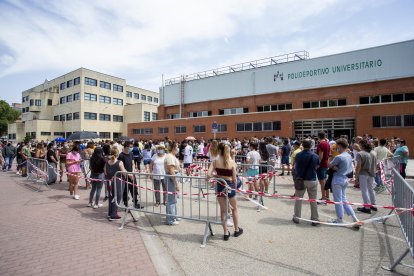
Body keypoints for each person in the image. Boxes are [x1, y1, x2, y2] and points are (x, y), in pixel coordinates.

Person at [208, 142, 243, 240]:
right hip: (230, 186)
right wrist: (235, 188)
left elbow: (209, 174)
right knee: (234, 209)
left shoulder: (215, 161)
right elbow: (235, 178)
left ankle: (225, 232)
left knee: (223, 211)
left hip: (220, 186)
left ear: (219, 150)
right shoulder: (232, 162)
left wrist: (217, 176)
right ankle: (236, 230)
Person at [329, 138, 360, 227]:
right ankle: (354, 218)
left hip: (338, 179)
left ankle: (340, 219)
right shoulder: (349, 155)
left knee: (338, 201)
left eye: (337, 146)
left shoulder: (339, 157)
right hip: (345, 179)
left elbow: (330, 165)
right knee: (344, 200)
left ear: (339, 146)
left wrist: (331, 157)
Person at [292, 139, 320, 226]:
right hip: (311, 179)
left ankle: (297, 217)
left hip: (300, 179)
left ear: (302, 145)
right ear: (311, 146)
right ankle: (314, 219)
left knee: (298, 199)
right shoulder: (315, 156)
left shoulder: (298, 155)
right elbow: (317, 166)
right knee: (313, 200)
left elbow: (295, 166)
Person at [355, 140, 377, 214]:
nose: (359, 146)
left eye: (360, 145)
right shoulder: (373, 153)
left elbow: (359, 165)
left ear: (362, 145)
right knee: (371, 189)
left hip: (365, 172)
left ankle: (367, 207)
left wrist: (356, 176)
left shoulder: (364, 153)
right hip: (371, 172)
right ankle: (373, 204)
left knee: (364, 190)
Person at [105, 148, 128, 220]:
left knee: (111, 197)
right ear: (117, 154)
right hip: (118, 182)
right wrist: (127, 173)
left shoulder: (107, 162)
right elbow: (124, 172)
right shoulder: (119, 162)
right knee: (117, 197)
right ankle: (114, 214)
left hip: (109, 181)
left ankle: (110, 213)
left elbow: (105, 172)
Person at [118, 141, 142, 209]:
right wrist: (129, 174)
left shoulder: (131, 154)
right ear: (125, 147)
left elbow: (133, 163)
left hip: (132, 175)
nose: (130, 149)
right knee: (125, 191)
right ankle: (126, 205)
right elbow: (121, 167)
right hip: (125, 176)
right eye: (129, 147)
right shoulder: (121, 155)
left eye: (130, 147)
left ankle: (136, 203)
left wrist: (132, 172)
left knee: (134, 189)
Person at [164, 142, 181, 225]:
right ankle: (170, 219)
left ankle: (174, 215)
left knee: (174, 199)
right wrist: (176, 183)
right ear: (174, 148)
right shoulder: (170, 157)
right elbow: (171, 171)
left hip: (173, 178)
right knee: (171, 200)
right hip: (171, 179)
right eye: (177, 147)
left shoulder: (172, 156)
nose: (178, 148)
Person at [316, 131, 331, 204]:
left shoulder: (321, 144)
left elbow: (320, 156)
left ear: (318, 136)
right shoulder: (327, 143)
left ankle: (323, 198)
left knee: (322, 182)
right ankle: (327, 197)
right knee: (325, 181)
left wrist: (318, 164)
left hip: (321, 165)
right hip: (326, 164)